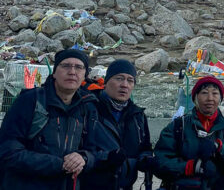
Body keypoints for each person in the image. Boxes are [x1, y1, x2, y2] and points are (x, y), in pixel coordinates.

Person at [0, 48, 100, 190]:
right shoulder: (30, 101)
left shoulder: (87, 107)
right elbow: (7, 150)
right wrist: (59, 164)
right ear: (54, 73)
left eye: (79, 67)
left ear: (85, 75)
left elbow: (93, 150)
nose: (72, 72)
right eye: (66, 66)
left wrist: (83, 158)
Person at [153, 76, 224, 190]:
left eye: (215, 93)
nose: (210, 98)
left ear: (220, 99)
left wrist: (221, 148)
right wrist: (190, 167)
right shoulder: (179, 126)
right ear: (195, 98)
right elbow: (159, 162)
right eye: (204, 93)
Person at [82, 59, 153, 190]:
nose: (124, 85)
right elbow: (78, 150)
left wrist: (145, 159)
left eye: (130, 80)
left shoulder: (138, 115)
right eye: (119, 78)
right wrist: (106, 158)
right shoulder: (89, 109)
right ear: (107, 81)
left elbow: (145, 147)